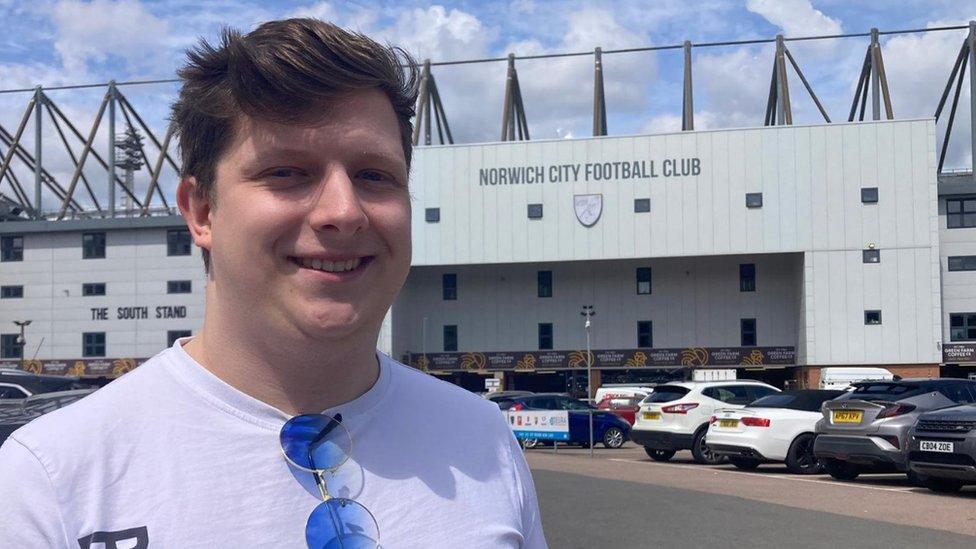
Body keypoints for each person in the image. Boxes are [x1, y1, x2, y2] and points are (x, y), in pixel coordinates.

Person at [0, 19, 546, 548]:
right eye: (287, 172)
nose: (343, 211)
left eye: (374, 175)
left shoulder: (482, 439)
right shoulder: (51, 476)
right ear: (202, 211)